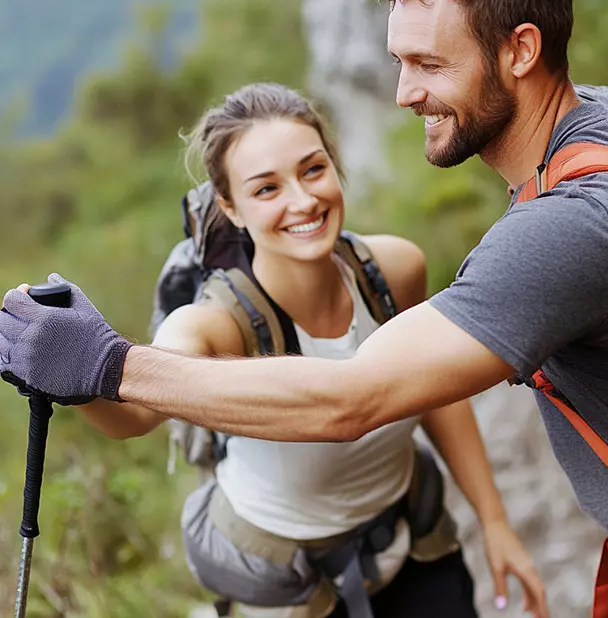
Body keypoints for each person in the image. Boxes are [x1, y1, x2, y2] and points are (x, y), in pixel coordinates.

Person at [3, 0, 608, 616]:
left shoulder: (568, 225)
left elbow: (353, 400)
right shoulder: (606, 121)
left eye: (430, 65)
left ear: (520, 51)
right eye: (400, 62)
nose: (406, 93)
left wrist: (106, 362)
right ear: (228, 205)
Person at [2, 81, 546, 618]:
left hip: (411, 550)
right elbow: (138, 412)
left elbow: (434, 390)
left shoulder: (392, 270)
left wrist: (493, 521)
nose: (303, 200)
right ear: (230, 207)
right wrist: (73, 367)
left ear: (336, 167)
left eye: (313, 169)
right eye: (266, 189)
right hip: (291, 591)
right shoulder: (219, 323)